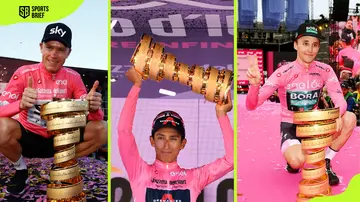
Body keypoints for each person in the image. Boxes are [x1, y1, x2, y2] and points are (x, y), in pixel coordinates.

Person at [0, 22, 107, 194]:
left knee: (103, 129)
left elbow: (94, 118)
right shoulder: (24, 72)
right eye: (49, 47)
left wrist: (95, 109)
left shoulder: (74, 77)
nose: (53, 55)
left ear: (68, 53)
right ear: (41, 47)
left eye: (60, 49)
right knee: (1, 127)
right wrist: (19, 105)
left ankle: (60, 165)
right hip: (28, 137)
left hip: (60, 140)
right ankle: (21, 170)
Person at [246, 22, 357, 186]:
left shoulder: (325, 70)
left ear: (319, 47)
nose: (310, 49)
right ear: (295, 45)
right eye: (305, 43)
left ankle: (325, 161)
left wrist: (338, 115)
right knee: (298, 161)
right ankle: (293, 159)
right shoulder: (283, 72)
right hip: (291, 127)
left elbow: (339, 99)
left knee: (350, 118)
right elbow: (252, 105)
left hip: (315, 126)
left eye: (314, 45)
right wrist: (254, 85)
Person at [117, 67, 233, 201]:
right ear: (152, 141)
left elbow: (231, 160)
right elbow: (123, 131)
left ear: (182, 143)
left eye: (173, 138)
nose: (166, 145)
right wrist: (136, 86)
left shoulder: (195, 178)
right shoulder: (139, 171)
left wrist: (221, 114)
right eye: (161, 137)